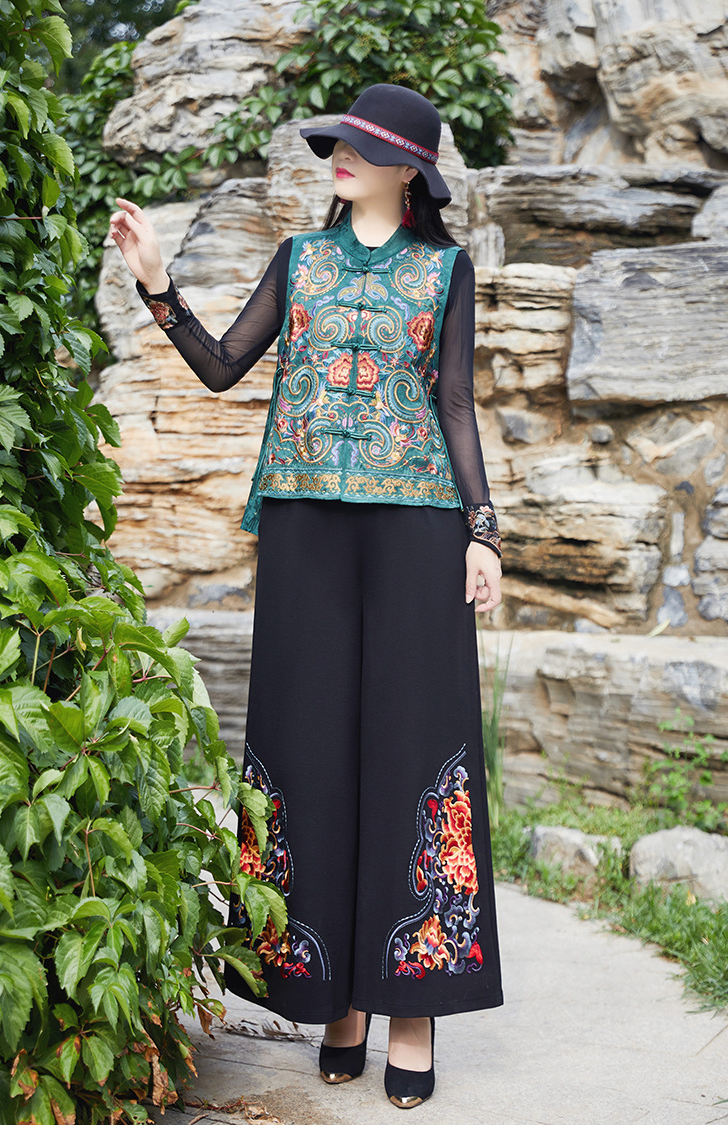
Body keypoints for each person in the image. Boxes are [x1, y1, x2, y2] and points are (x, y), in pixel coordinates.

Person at [109, 83, 503, 1111]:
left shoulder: (446, 270)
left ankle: (409, 1005)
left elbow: (456, 404)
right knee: (308, 748)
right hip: (303, 531)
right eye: (340, 140)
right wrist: (158, 286)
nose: (341, 154)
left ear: (408, 170)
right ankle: (334, 997)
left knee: (413, 750)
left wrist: (483, 532)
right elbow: (222, 368)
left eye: (363, 145)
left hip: (417, 531)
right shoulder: (299, 258)